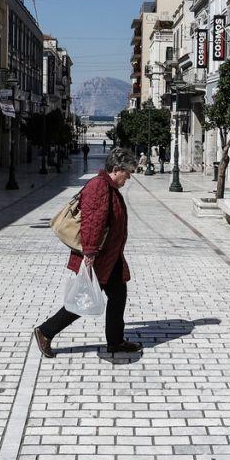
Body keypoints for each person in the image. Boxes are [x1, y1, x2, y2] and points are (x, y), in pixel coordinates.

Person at [34, 148, 142, 357]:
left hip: (111, 257)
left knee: (118, 295)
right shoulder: (100, 187)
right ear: (116, 169)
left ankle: (115, 340)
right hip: (99, 258)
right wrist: (90, 254)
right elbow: (93, 223)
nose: (128, 178)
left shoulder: (108, 187)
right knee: (84, 299)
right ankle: (46, 331)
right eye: (127, 173)